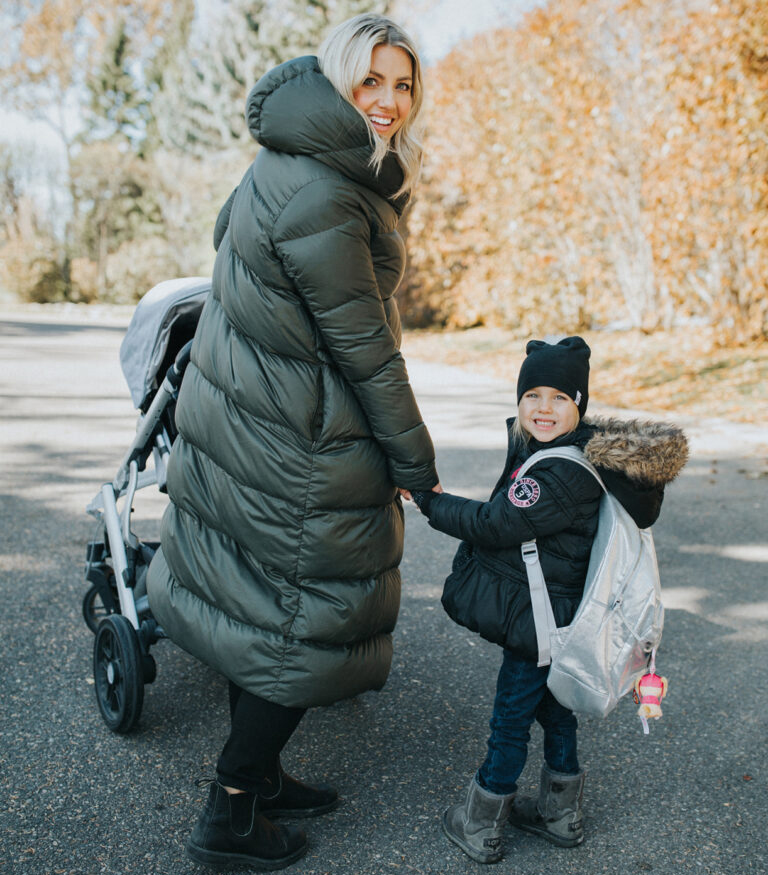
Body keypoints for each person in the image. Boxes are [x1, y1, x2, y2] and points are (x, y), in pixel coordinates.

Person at [146, 13, 440, 871]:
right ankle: (229, 811)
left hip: (252, 419)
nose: (389, 102)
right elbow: (366, 349)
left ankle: (261, 776)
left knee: (260, 608)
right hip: (299, 438)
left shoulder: (289, 162)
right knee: (300, 623)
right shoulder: (327, 191)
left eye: (404, 84)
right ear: (341, 79)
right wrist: (416, 465)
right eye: (372, 81)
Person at [405, 336, 688, 864]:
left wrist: (428, 499)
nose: (543, 408)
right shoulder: (550, 449)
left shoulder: (562, 471)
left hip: (540, 622)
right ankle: (561, 812)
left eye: (559, 397)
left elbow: (496, 523)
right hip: (559, 616)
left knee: (510, 716)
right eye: (532, 394)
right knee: (555, 711)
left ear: (578, 404)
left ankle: (481, 822)